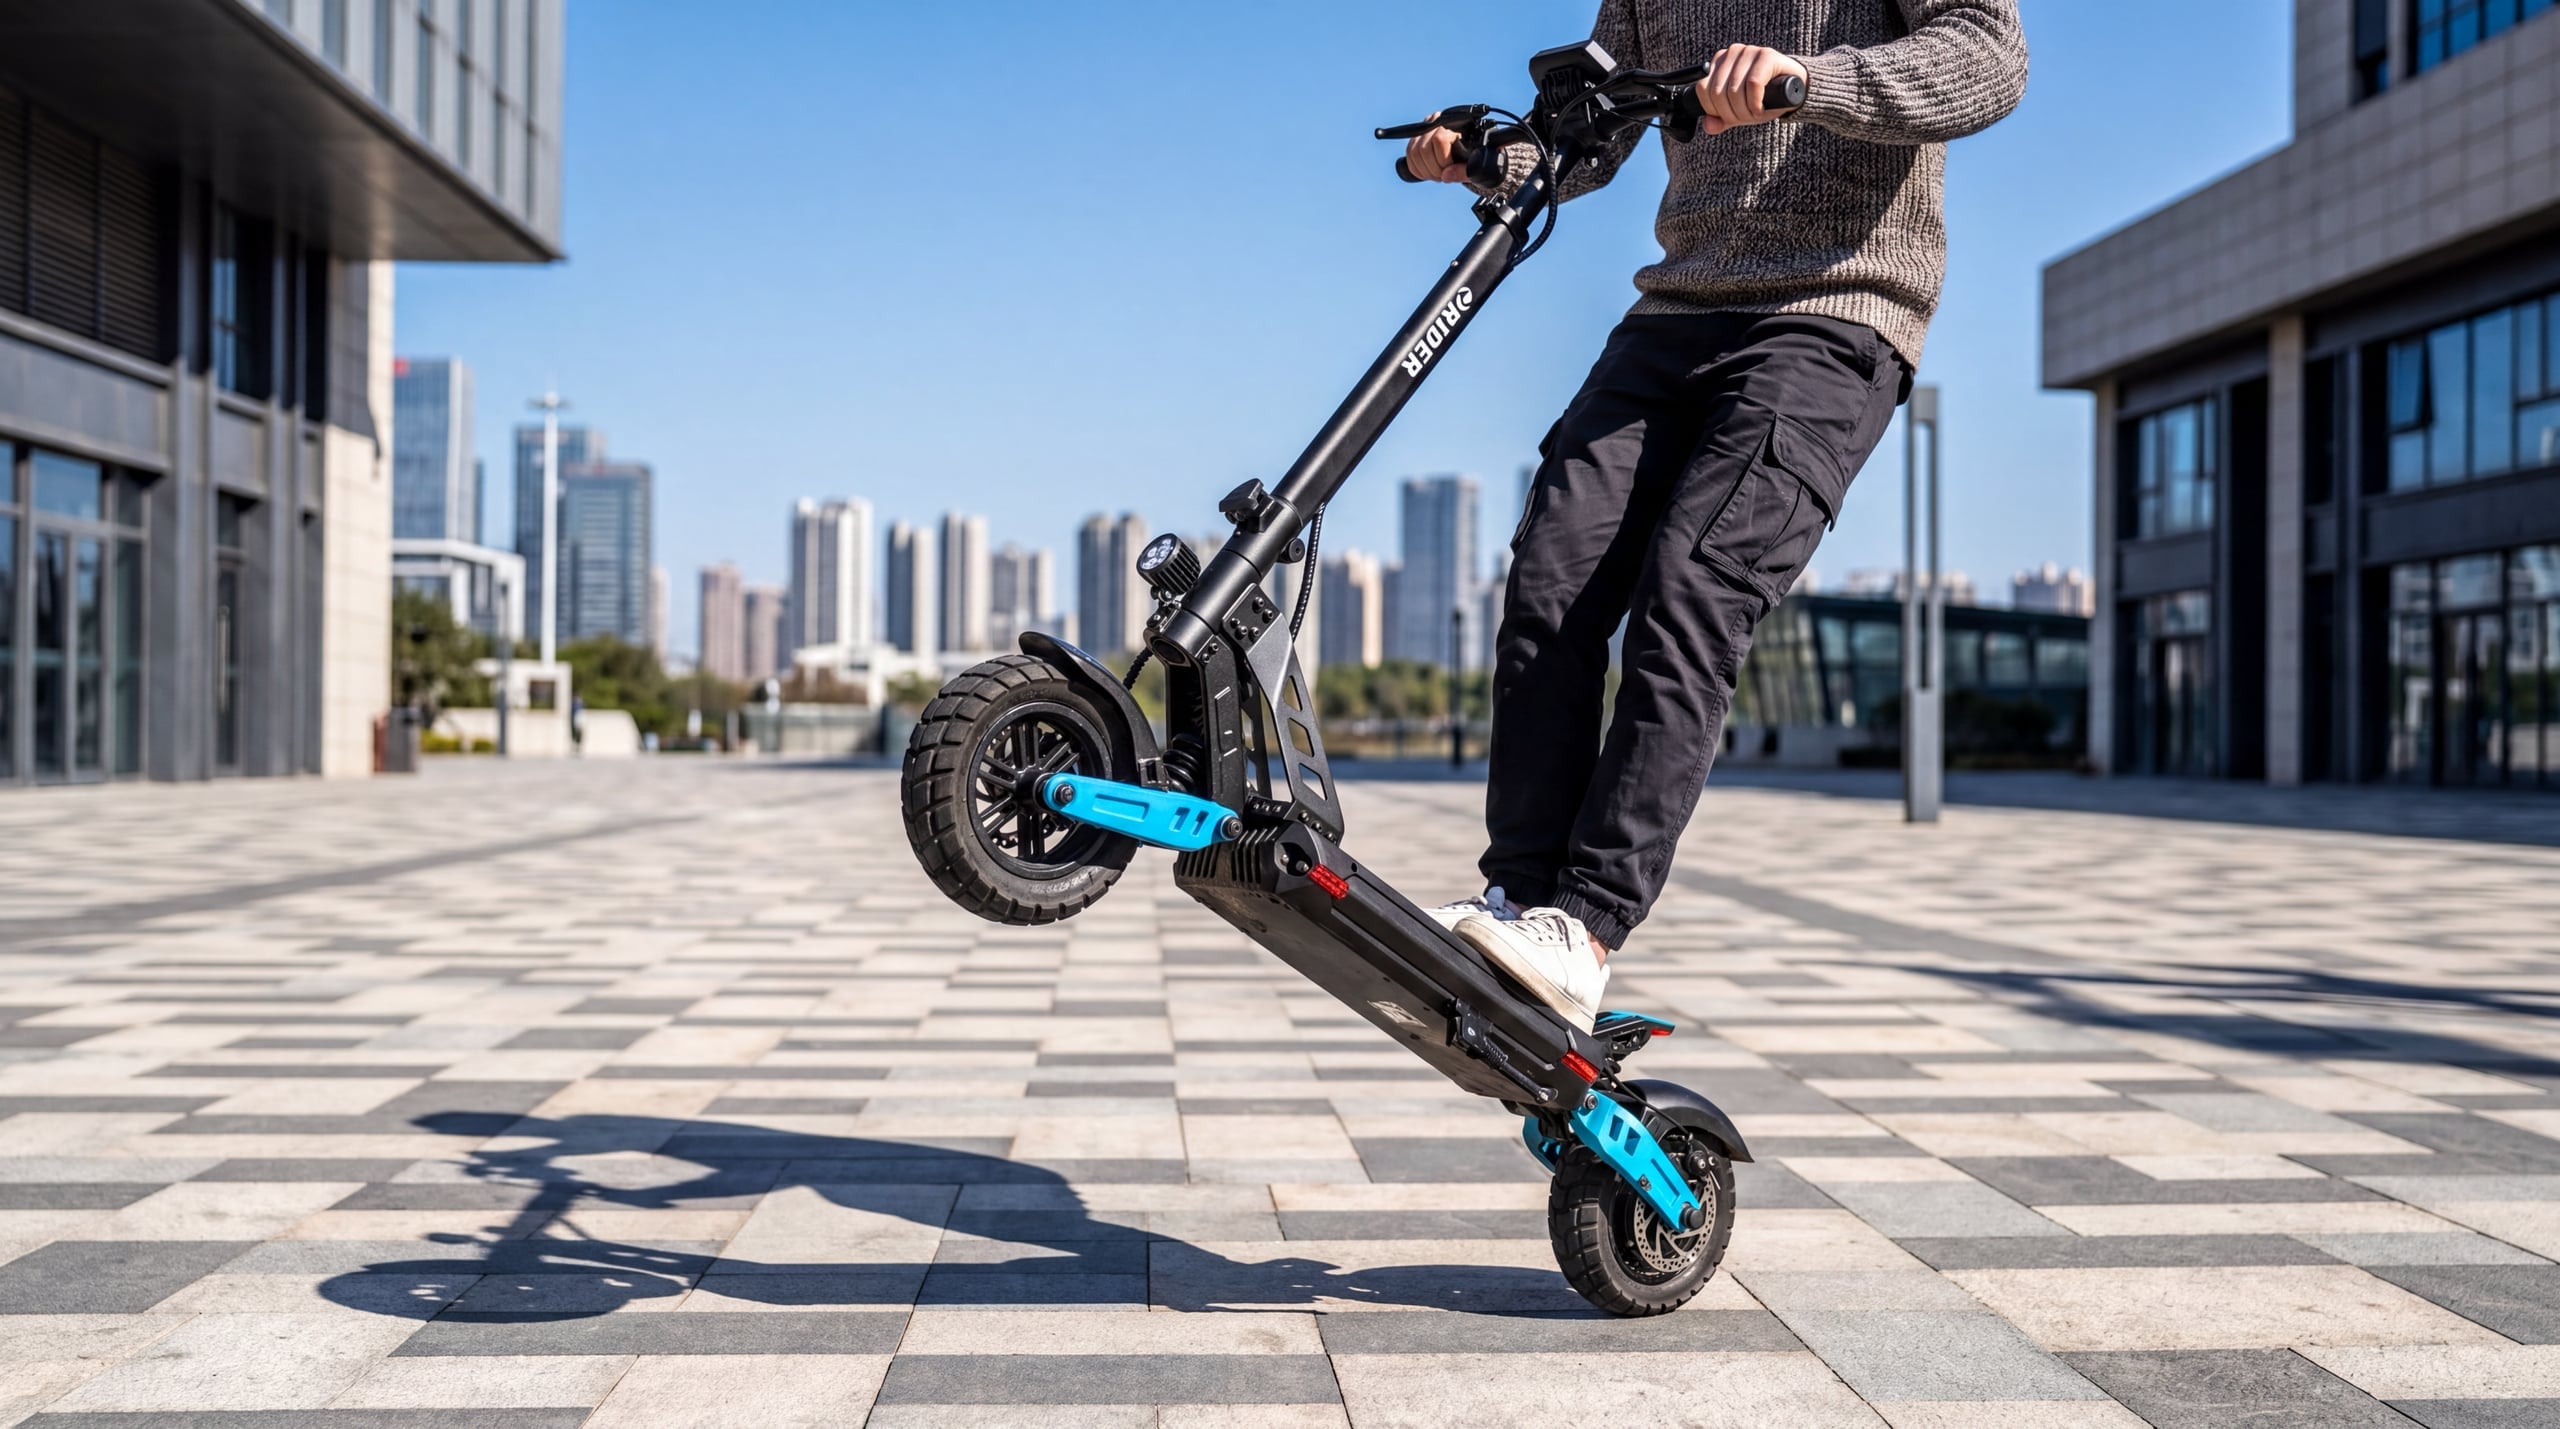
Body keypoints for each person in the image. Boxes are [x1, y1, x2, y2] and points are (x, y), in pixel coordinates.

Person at [1413, 1, 2028, 1031]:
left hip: (1835, 310)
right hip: (1676, 309)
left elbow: (1989, 55)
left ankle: (1585, 927)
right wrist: (1484, 156)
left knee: (1690, 592)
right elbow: (1590, 132)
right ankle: (1516, 900)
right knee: (1551, 581)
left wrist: (1811, 82)